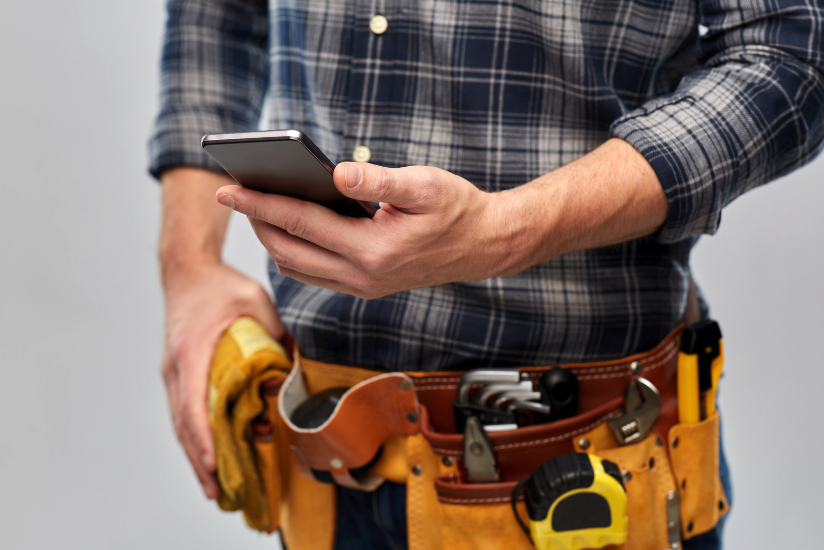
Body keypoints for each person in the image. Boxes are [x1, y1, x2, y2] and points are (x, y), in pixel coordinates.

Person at [150, 1, 824, 548]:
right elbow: (216, 14)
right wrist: (190, 267)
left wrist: (509, 231)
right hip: (327, 479)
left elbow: (792, 55)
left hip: (584, 479)